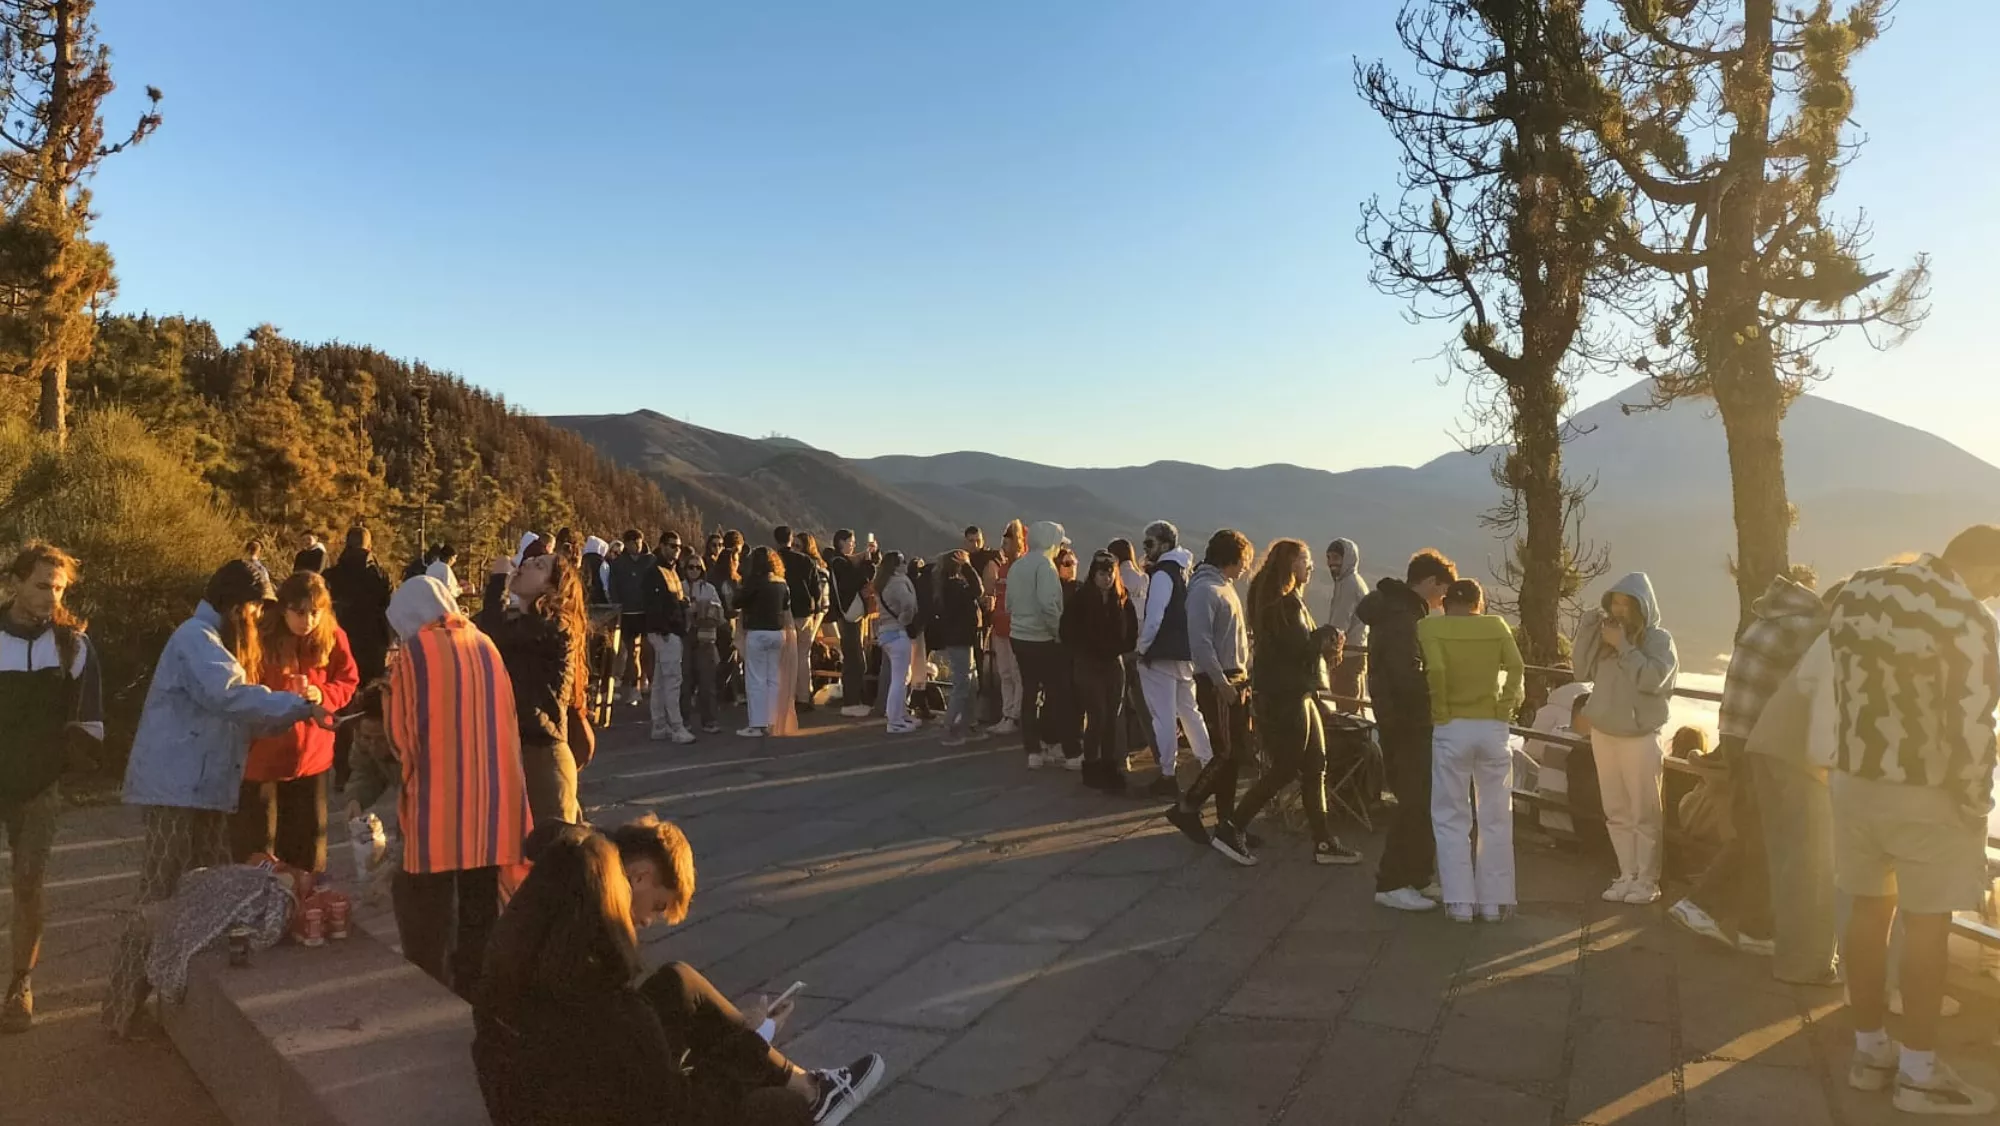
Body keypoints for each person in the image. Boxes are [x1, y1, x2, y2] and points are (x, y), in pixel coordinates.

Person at [472, 822, 884, 1126]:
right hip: (620, 1106)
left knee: (677, 983)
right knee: (780, 1110)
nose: (645, 924)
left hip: (547, 1104)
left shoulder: (508, 975)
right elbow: (682, 1112)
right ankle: (806, 1096)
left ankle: (808, 1087)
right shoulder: (613, 1013)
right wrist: (755, 1042)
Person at [104, 562, 323, 1036]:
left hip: (203, 790)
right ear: (230, 602)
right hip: (176, 791)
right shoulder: (194, 640)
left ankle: (188, 1007)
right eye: (251, 606)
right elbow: (230, 697)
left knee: (208, 900)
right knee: (157, 896)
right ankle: (122, 1008)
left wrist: (294, 714)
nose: (254, 617)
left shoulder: (217, 643)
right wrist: (299, 705)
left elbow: (242, 714)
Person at [1826, 528, 2000, 1115]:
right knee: (1927, 925)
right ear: (1984, 571)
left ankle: (1869, 1050)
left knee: (1868, 908)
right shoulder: (1966, 617)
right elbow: (1974, 723)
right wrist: (1975, 801)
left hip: (1853, 779)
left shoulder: (1860, 589)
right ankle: (1919, 1073)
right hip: (1926, 792)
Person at [380, 576, 530, 999]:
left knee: (432, 909)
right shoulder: (485, 644)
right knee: (479, 909)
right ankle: (475, 988)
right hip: (493, 800)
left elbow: (400, 737)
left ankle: (432, 991)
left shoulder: (413, 656)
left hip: (439, 805)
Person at [1667, 573, 1827, 957]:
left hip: (1736, 730)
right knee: (1762, 835)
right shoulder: (1809, 629)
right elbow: (1817, 685)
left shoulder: (1773, 618)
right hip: (1763, 737)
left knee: (1757, 831)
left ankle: (1752, 925)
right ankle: (1709, 908)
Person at [1205, 539, 1361, 868]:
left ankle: (1323, 841)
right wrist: (1326, 636)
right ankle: (1231, 827)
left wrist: (1319, 638)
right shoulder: (1284, 605)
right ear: (1291, 564)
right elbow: (1298, 650)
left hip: (1294, 693)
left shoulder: (1277, 600)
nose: (1311, 566)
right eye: (1305, 561)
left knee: (1315, 763)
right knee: (1288, 767)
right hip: (1286, 696)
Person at [0, 544, 103, 1035]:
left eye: (58, 588)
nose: (50, 596)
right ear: (15, 582)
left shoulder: (73, 646)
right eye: (41, 585)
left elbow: (88, 722)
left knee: (28, 885)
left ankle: (20, 984)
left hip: (38, 786)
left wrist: (64, 767)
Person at [233, 571, 359, 872]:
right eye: (299, 612)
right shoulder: (260, 637)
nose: (308, 621)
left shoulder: (332, 635)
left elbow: (348, 679)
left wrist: (324, 694)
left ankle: (307, 911)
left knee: (308, 854)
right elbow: (242, 689)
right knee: (259, 854)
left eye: (315, 613)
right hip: (263, 761)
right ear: (283, 607)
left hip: (311, 760)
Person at [1418, 578, 1525, 923]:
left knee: (1451, 815)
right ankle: (1494, 904)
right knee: (1495, 815)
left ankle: (1460, 903)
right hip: (1492, 726)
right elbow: (1516, 668)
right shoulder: (1496, 627)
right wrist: (1504, 708)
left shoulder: (1429, 628)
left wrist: (1441, 709)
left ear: (1448, 602)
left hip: (1452, 726)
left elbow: (1435, 669)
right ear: (1480, 603)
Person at [1572, 572, 1678, 906]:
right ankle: (1626, 873)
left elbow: (1653, 680)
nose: (1619, 610)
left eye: (1626, 604)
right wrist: (1590, 631)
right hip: (1604, 731)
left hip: (1639, 736)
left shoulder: (1659, 640)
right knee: (1616, 809)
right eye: (1615, 602)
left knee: (1643, 812)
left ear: (1641, 607)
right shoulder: (1607, 640)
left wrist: (1625, 648)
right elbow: (1580, 671)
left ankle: (1647, 880)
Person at [1361, 549, 1456, 913]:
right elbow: (1406, 677)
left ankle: (1416, 876)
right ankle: (1392, 881)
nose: (1441, 601)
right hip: (1408, 723)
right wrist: (1438, 692)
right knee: (1414, 801)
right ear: (1430, 583)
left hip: (1397, 721)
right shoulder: (1404, 619)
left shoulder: (1396, 612)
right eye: (1442, 592)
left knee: (1422, 800)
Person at [477, 551, 592, 825]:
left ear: (552, 588)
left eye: (538, 566)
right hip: (518, 747)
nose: (526, 564)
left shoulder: (556, 626)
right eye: (529, 560)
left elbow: (493, 634)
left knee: (554, 850)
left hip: (542, 751)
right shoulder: (522, 623)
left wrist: (498, 582)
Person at [1169, 531, 1255, 840]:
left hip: (1234, 676)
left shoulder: (1223, 586)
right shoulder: (1205, 589)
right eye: (1244, 560)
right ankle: (1188, 806)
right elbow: (1201, 643)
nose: (1245, 567)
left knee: (1230, 755)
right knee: (1225, 753)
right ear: (1232, 558)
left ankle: (1227, 823)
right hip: (1219, 680)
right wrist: (1221, 682)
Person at [1134, 521, 1214, 799]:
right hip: (1184, 653)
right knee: (1190, 713)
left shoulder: (1162, 575)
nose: (1145, 549)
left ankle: (1168, 774)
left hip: (1161, 655)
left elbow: (1154, 617)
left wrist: (1142, 648)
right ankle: (1209, 766)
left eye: (1149, 543)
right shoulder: (1184, 570)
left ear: (1164, 545)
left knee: (1163, 717)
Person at [1061, 551, 1138, 792]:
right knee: (1098, 716)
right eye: (1102, 573)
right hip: (1088, 663)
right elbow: (1067, 632)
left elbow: (1131, 633)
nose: (1106, 578)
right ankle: (1091, 765)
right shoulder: (1080, 599)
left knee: (1112, 718)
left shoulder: (1122, 600)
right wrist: (1084, 650)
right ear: (1094, 574)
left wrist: (1119, 647)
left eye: (1110, 574)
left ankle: (1109, 766)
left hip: (1113, 664)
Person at [1008, 522, 1078, 769]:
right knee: (1059, 695)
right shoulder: (1046, 567)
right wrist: (1058, 633)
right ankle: (1069, 752)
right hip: (1043, 639)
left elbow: (1008, 603)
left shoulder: (1018, 565)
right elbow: (1049, 606)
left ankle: (1033, 751)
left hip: (1018, 637)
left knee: (1029, 693)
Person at [736, 547, 794, 739]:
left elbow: (737, 601)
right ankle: (772, 721)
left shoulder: (755, 582)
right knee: (773, 679)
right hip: (777, 633)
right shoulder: (782, 583)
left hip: (757, 632)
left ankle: (756, 724)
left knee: (755, 680)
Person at [929, 551, 986, 747]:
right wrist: (968, 566)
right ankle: (950, 727)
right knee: (962, 685)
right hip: (961, 640)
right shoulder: (954, 586)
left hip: (961, 639)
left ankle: (968, 724)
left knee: (971, 684)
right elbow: (978, 590)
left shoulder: (945, 587)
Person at [1108, 537, 1154, 766]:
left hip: (1121, 649)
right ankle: (1158, 749)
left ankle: (1121, 755)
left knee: (1118, 705)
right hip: (1141, 649)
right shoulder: (1144, 579)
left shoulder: (1115, 581)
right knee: (1144, 704)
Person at [642, 546, 695, 745]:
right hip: (666, 632)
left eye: (678, 547)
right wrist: (663, 629)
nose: (676, 550)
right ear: (663, 547)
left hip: (668, 630)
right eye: (672, 546)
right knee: (673, 680)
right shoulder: (655, 573)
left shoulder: (672, 571)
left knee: (660, 680)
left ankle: (659, 724)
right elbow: (653, 603)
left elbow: (671, 601)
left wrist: (683, 604)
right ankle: (676, 726)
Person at [985, 520, 1027, 736]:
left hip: (1015, 628)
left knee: (1017, 673)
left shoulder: (1021, 567)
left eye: (1007, 543)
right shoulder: (1002, 567)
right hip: (1000, 626)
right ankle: (1007, 712)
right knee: (1005, 673)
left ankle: (1015, 715)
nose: (1003, 547)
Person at [873, 552, 922, 735]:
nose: (905, 564)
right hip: (898, 633)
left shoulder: (881, 583)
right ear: (896, 565)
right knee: (899, 680)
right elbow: (909, 604)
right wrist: (906, 620)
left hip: (886, 632)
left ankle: (901, 714)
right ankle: (895, 721)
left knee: (900, 677)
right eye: (903, 561)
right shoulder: (899, 582)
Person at [827, 530, 872, 719]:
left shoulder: (837, 562)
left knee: (854, 656)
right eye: (851, 542)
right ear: (841, 542)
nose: (853, 545)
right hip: (849, 615)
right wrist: (868, 563)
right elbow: (856, 580)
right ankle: (851, 702)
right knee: (855, 659)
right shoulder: (840, 564)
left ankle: (853, 700)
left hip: (844, 614)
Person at [1323, 539, 1369, 712]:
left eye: (1336, 557)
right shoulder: (1347, 581)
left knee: (1346, 707)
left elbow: (1340, 622)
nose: (1331, 563)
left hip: (1347, 655)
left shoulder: (1349, 584)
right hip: (1353, 652)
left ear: (1348, 558)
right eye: (1328, 558)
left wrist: (1328, 646)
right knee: (1351, 703)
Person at [609, 530, 653, 707]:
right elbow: (613, 586)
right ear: (626, 544)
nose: (637, 545)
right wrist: (617, 605)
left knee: (649, 649)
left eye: (639, 542)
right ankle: (634, 688)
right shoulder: (618, 564)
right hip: (627, 613)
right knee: (632, 651)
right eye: (634, 542)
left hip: (646, 612)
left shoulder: (650, 561)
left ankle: (648, 682)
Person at [683, 554, 725, 735]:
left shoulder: (709, 588)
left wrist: (700, 608)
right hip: (685, 637)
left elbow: (719, 613)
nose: (694, 570)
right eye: (690, 567)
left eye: (697, 567)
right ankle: (683, 720)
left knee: (707, 682)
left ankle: (709, 720)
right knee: (685, 681)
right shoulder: (680, 586)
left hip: (706, 638)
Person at [791, 533, 833, 713]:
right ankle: (803, 693)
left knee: (800, 655)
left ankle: (801, 694)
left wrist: (817, 613)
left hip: (810, 614)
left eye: (798, 546)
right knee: (801, 655)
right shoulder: (816, 566)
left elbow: (821, 595)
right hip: (811, 612)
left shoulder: (811, 567)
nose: (794, 549)